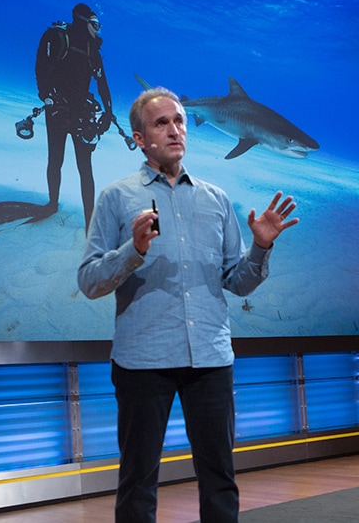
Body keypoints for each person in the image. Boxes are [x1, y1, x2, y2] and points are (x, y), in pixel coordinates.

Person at [77, 86, 298, 522]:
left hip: (211, 361)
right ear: (140, 139)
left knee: (220, 482)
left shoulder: (217, 199)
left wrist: (260, 248)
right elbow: (89, 281)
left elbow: (238, 282)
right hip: (143, 361)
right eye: (161, 123)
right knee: (137, 484)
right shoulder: (117, 198)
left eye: (179, 120)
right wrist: (133, 250)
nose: (175, 129)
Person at [35, 3, 114, 230]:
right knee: (55, 160)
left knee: (85, 168)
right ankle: (52, 204)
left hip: (82, 114)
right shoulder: (57, 38)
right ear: (83, 21)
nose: (98, 30)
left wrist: (108, 112)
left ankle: (90, 223)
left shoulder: (92, 49)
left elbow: (103, 83)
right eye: (95, 24)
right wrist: (47, 97)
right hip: (57, 110)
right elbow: (40, 68)